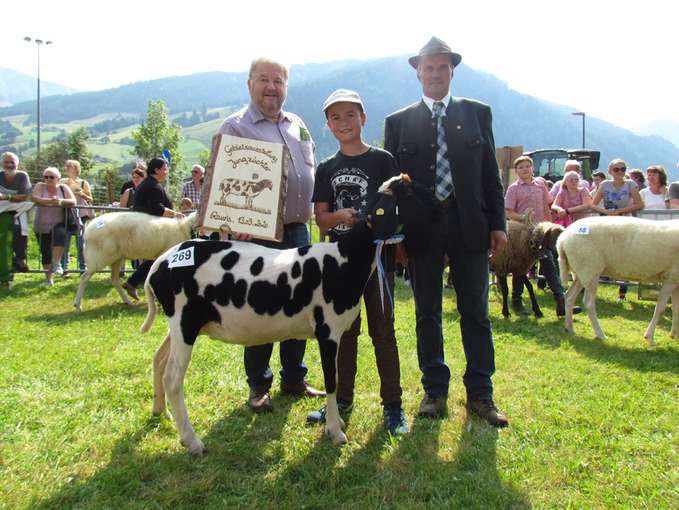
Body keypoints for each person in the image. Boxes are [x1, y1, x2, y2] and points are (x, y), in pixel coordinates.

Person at [384, 37, 508, 427]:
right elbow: (393, 189)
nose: (435, 74)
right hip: (421, 230)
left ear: (452, 71)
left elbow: (491, 173)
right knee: (427, 313)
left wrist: (499, 224)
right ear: (417, 73)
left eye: (442, 68)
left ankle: (481, 394)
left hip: (470, 223)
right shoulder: (399, 122)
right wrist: (396, 235)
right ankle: (434, 391)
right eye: (428, 68)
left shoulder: (477, 114)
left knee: (476, 311)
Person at [218, 57, 323, 413]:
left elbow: (311, 169)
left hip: (298, 230)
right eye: (264, 79)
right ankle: (258, 385)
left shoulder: (298, 125)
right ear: (250, 83)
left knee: (299, 306)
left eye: (278, 81)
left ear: (286, 87)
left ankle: (295, 377)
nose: (271, 87)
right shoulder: (236, 127)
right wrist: (234, 222)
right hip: (257, 236)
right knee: (261, 309)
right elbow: (224, 187)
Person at [307, 89, 407, 434]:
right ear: (328, 126)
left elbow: (397, 207)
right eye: (336, 117)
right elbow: (320, 219)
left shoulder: (383, 160)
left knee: (383, 332)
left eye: (351, 114)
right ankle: (341, 400)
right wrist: (340, 216)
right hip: (339, 266)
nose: (344, 122)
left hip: (378, 261)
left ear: (363, 118)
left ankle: (393, 406)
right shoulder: (326, 167)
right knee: (342, 334)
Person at [505, 156, 578, 317]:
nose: (525, 169)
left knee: (550, 264)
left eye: (527, 166)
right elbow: (508, 212)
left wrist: (557, 210)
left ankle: (561, 302)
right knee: (521, 268)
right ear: (516, 171)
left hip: (542, 233)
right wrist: (523, 217)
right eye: (521, 167)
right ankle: (517, 301)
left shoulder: (541, 186)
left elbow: (549, 204)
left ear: (532, 168)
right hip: (523, 234)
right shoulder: (513, 189)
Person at [122, 157, 184, 298]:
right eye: (164, 168)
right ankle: (146, 285)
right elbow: (157, 208)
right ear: (156, 170)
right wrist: (175, 214)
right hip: (149, 229)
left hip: (147, 227)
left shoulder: (150, 184)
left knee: (157, 258)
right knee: (160, 258)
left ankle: (134, 282)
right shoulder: (152, 186)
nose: (166, 171)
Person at [591, 159, 644, 301]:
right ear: (610, 171)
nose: (620, 172)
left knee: (625, 254)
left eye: (623, 169)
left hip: (624, 223)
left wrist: (620, 211)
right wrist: (606, 212)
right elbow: (593, 204)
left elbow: (639, 204)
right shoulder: (604, 184)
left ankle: (623, 291)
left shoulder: (630, 184)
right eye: (616, 169)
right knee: (605, 251)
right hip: (607, 222)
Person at [31, 167, 76, 287]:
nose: (48, 179)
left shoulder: (63, 188)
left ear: (58, 179)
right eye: (45, 177)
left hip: (59, 223)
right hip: (41, 225)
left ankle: (56, 264)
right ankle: (48, 279)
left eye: (51, 177)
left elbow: (73, 201)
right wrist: (51, 201)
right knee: (45, 253)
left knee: (60, 236)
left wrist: (60, 201)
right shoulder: (40, 186)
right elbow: (34, 198)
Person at [0, 152, 32, 287]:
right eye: (6, 162)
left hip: (16, 212)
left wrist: (6, 197)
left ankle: (11, 271)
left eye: (12, 162)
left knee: (12, 239)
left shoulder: (22, 176)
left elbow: (25, 196)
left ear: (17, 164)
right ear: (2, 163)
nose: (9, 165)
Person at [60, 159, 93, 274]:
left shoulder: (83, 183)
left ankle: (82, 268)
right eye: (67, 166)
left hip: (81, 215)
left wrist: (81, 193)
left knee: (81, 243)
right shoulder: (62, 182)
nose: (68, 168)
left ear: (76, 169)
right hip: (65, 214)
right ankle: (64, 268)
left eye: (71, 166)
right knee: (65, 243)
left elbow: (90, 199)